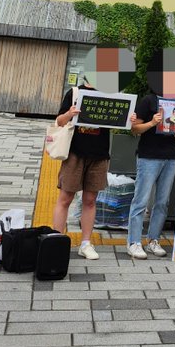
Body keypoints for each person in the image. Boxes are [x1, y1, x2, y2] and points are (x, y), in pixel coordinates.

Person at [53, 81, 110, 260]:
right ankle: (55, 242)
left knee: (90, 200)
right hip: (75, 153)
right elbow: (59, 121)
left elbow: (124, 124)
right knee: (65, 198)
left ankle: (85, 243)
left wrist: (129, 119)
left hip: (100, 154)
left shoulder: (110, 94)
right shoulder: (75, 93)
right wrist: (70, 113)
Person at [124, 89, 175, 261]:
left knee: (163, 202)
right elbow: (134, 129)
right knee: (141, 200)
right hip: (148, 156)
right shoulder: (148, 100)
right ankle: (133, 242)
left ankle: (153, 240)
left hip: (170, 157)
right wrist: (152, 123)